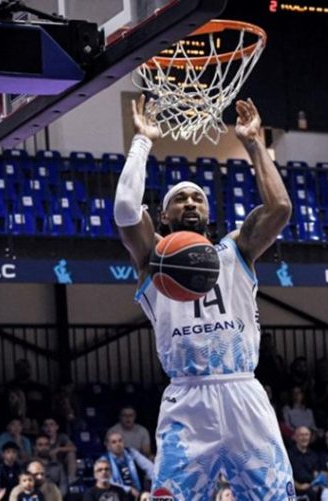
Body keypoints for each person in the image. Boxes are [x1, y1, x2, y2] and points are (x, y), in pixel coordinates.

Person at [113, 95, 294, 500]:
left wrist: (254, 143)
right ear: (164, 216)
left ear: (209, 214)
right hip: (187, 399)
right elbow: (125, 208)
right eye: (180, 199)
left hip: (243, 392)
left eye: (198, 198)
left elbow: (280, 208)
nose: (190, 202)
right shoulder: (152, 257)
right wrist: (143, 140)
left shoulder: (236, 249)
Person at [101, 431, 153, 499]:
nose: (118, 444)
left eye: (120, 441)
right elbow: (108, 482)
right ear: (108, 445)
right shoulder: (103, 460)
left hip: (138, 492)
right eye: (114, 442)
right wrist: (128, 489)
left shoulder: (131, 452)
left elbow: (150, 468)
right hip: (117, 496)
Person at [287, 426, 325, 501]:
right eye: (301, 435)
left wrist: (316, 484)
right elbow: (286, 475)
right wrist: (299, 486)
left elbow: (316, 473)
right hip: (294, 490)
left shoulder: (314, 455)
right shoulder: (288, 455)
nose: (304, 438)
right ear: (295, 437)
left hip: (312, 489)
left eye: (306, 435)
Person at [41, 417, 77, 483]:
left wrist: (58, 449)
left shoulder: (62, 436)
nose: (49, 427)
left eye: (51, 424)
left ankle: (71, 478)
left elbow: (73, 448)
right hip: (48, 462)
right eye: (46, 425)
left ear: (57, 427)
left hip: (61, 460)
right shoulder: (41, 439)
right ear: (43, 428)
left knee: (71, 454)